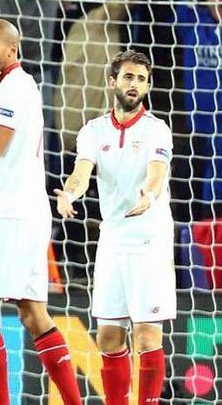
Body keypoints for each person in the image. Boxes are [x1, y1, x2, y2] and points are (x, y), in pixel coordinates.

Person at [0, 19, 81, 405]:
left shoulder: (13, 88)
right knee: (33, 314)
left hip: (14, 216)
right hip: (28, 212)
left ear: (12, 50)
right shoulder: (16, 86)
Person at [55, 50, 173, 405]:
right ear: (112, 82)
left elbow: (156, 174)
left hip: (149, 240)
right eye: (128, 77)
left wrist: (149, 197)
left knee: (148, 335)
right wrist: (68, 195)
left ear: (148, 86)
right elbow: (81, 173)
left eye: (140, 79)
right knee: (108, 336)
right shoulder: (93, 131)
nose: (133, 84)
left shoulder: (157, 130)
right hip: (113, 241)